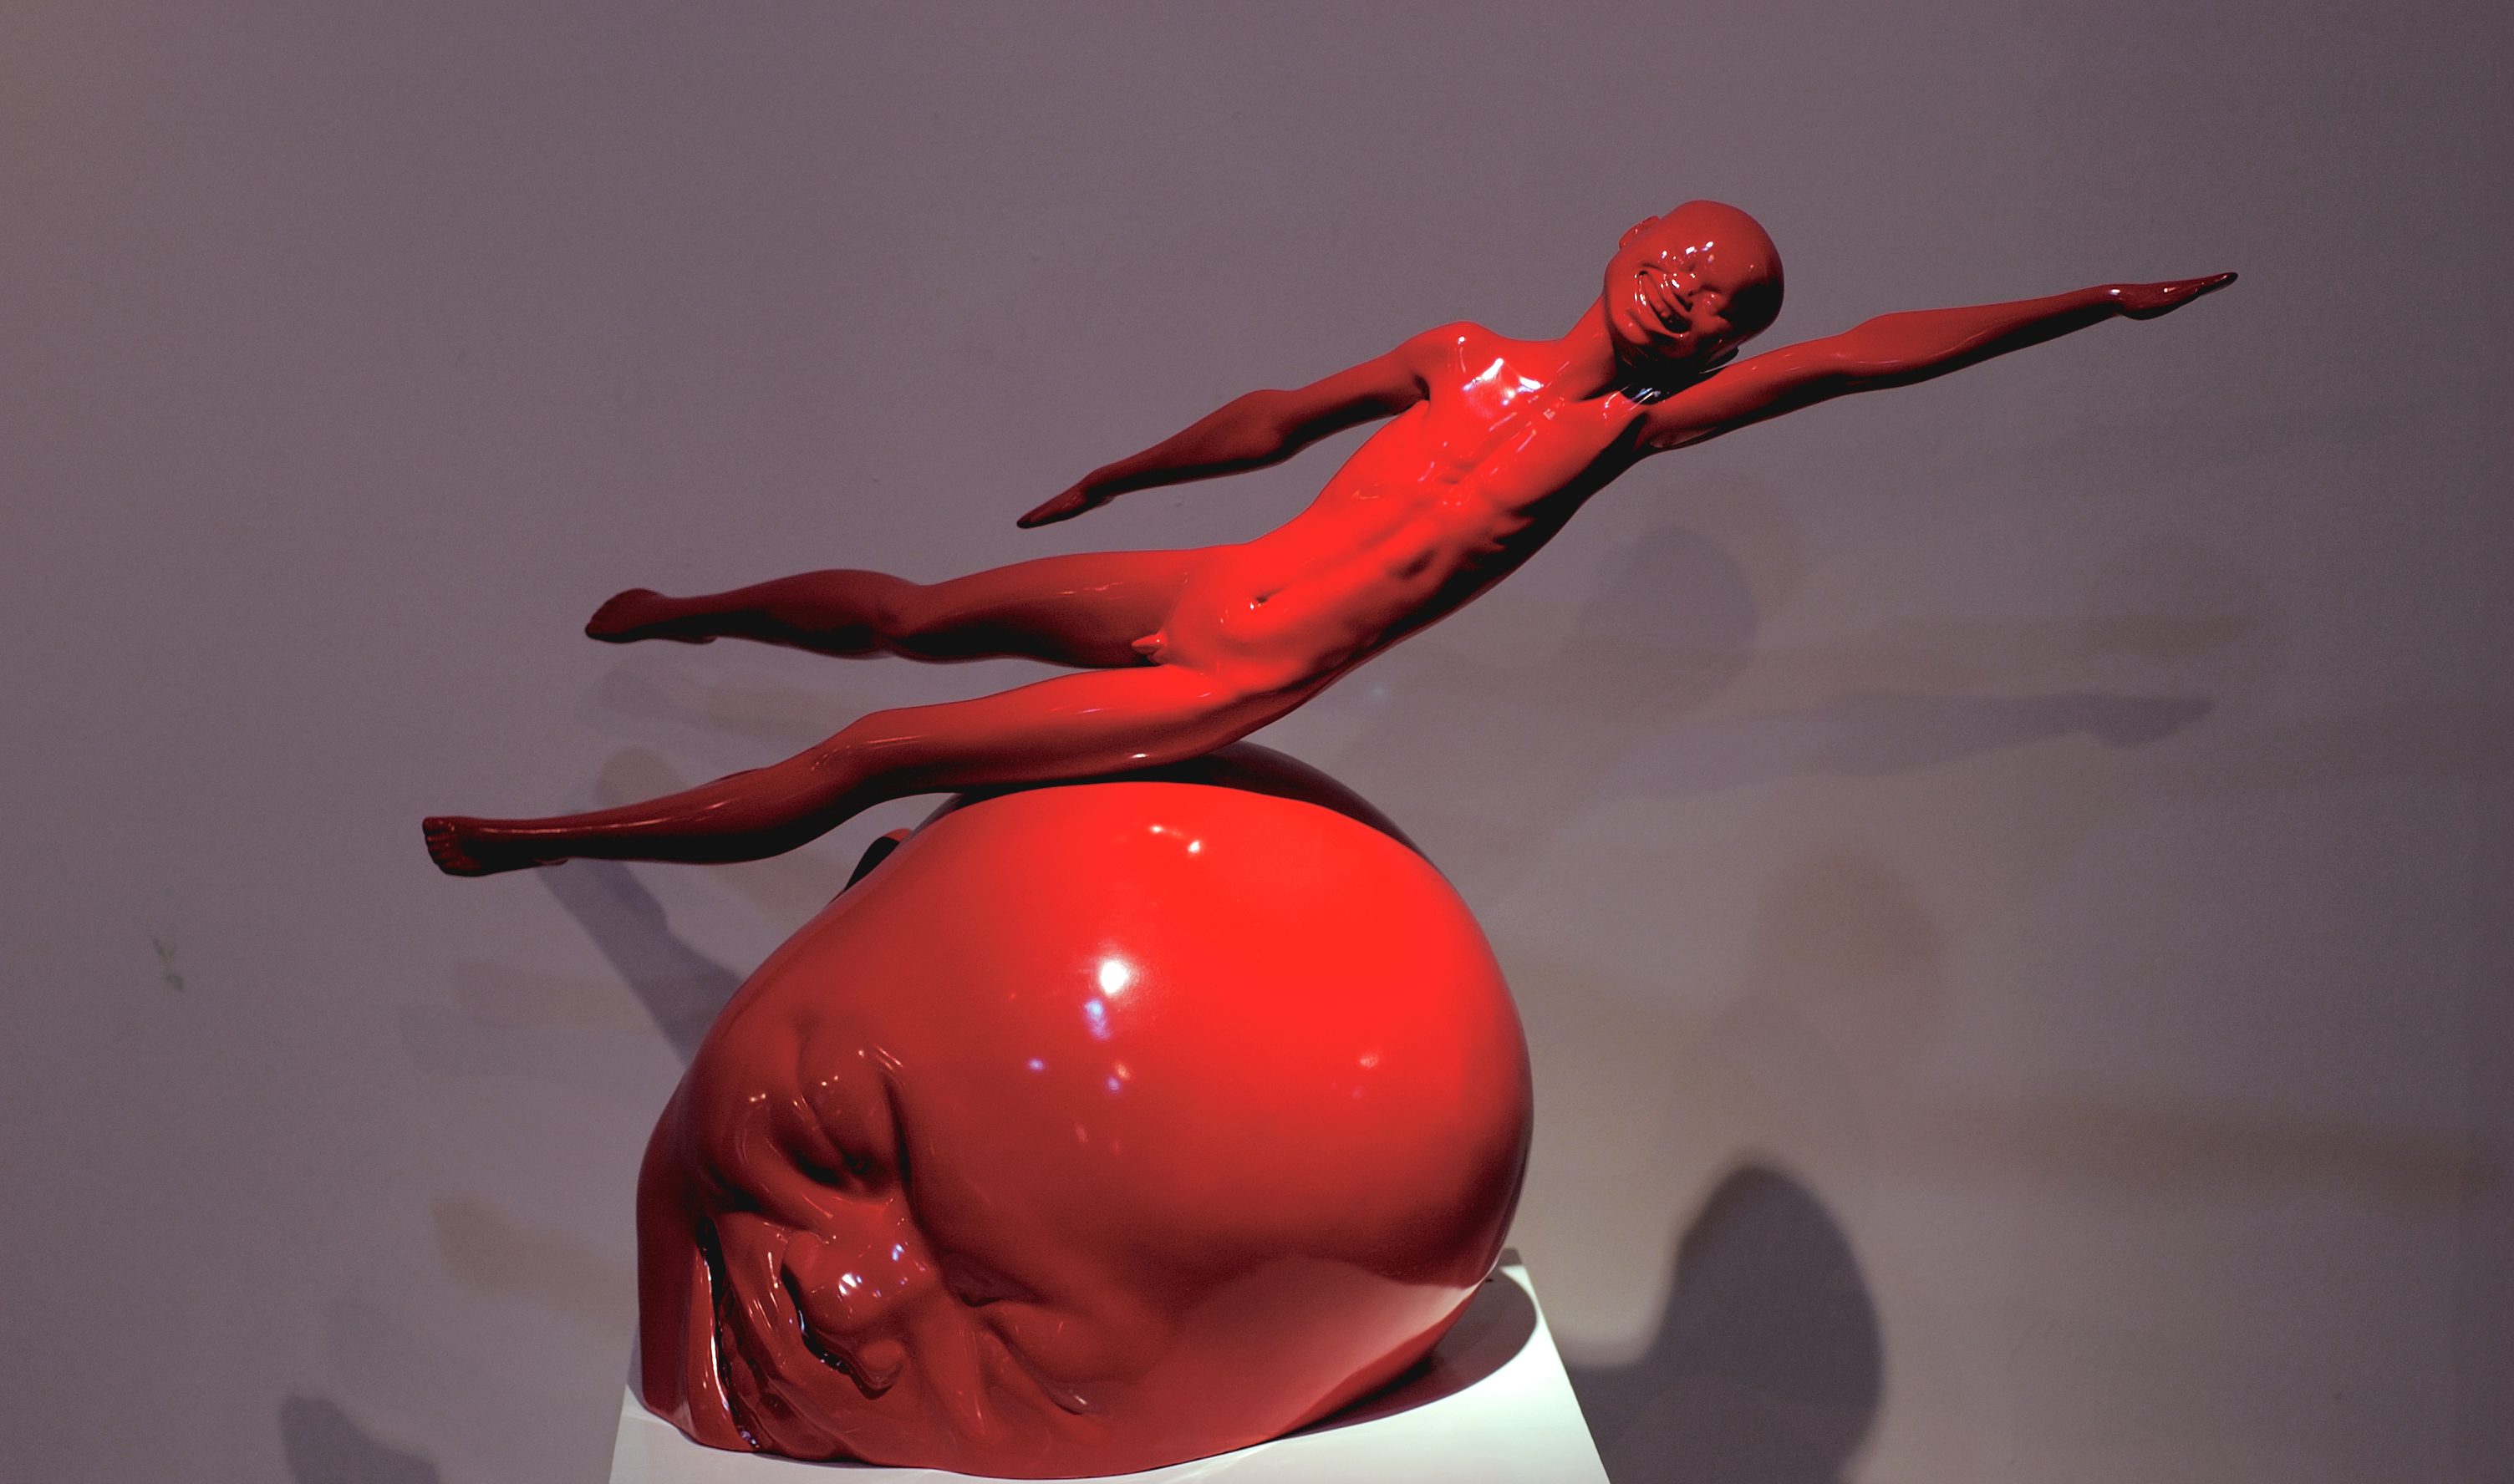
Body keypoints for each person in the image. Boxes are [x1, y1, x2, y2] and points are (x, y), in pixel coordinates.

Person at [424, 201, 2231, 875]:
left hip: (1235, 671)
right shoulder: (1460, 352)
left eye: (1726, 303)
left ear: (1717, 350)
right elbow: (1278, 416)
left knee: (881, 753)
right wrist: (1123, 478)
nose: (1693, 296)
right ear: (1625, 243)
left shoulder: (1629, 430)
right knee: (910, 610)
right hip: (1198, 580)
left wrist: (2086, 302)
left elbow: (1865, 359)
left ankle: (548, 841)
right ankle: (682, 609)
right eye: (1685, 259)